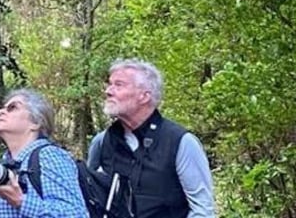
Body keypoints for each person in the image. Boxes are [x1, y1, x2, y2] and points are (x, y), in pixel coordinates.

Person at [88, 59, 215, 218]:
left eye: (118, 85)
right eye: (110, 84)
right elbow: (89, 198)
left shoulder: (180, 142)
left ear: (144, 96)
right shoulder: (102, 142)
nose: (108, 91)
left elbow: (202, 210)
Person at [0, 89, 87, 218]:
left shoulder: (49, 157)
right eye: (3, 108)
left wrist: (21, 201)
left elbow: (77, 215)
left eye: (12, 107)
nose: (0, 112)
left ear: (36, 123)